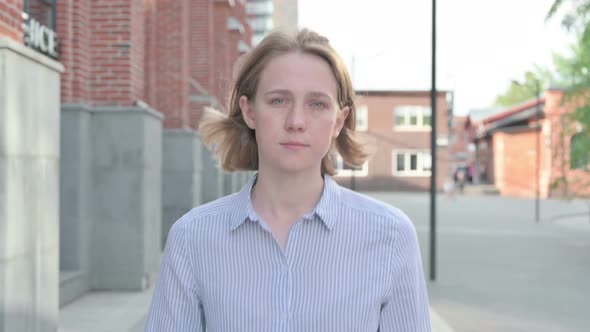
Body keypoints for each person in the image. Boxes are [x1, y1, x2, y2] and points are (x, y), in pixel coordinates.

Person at [144, 28, 431, 331]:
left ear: (339, 120)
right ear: (250, 111)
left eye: (317, 104)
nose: (296, 122)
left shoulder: (391, 236)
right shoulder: (191, 239)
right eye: (279, 101)